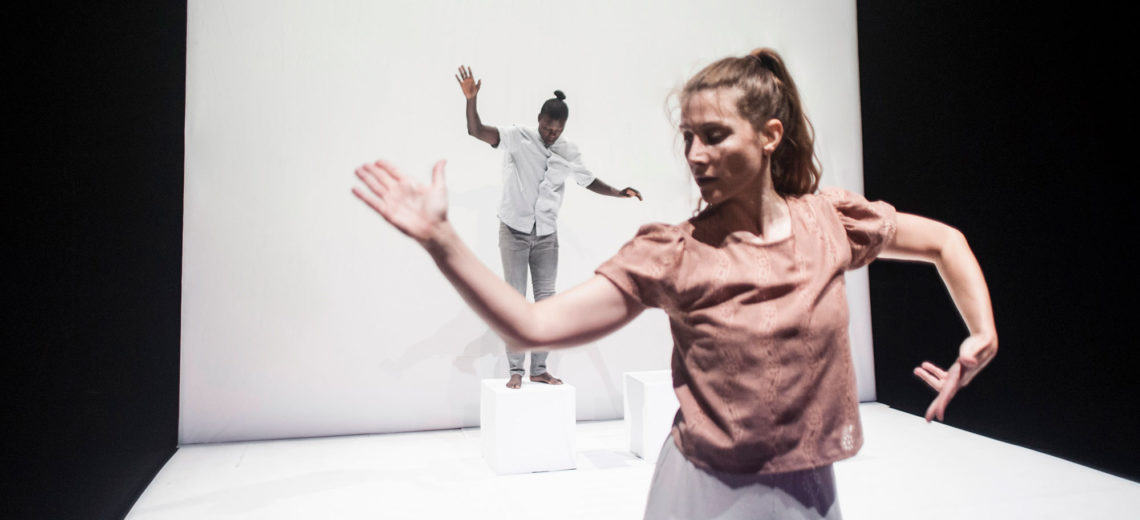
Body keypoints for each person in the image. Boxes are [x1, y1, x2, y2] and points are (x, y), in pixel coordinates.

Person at [354, 49, 996, 519]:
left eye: (714, 136)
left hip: (810, 493)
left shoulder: (831, 223)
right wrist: (441, 240)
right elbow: (535, 323)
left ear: (770, 136)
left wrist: (981, 333)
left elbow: (945, 242)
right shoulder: (672, 253)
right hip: (705, 495)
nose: (694, 155)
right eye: (687, 137)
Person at [454, 65, 643, 389]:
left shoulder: (569, 152)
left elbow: (588, 181)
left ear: (564, 127)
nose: (550, 133)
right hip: (513, 232)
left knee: (546, 304)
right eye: (546, 126)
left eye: (556, 130)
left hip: (546, 237)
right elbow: (476, 131)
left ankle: (538, 368)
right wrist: (471, 100)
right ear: (539, 118)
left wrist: (618, 192)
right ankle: (515, 369)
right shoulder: (517, 137)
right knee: (515, 301)